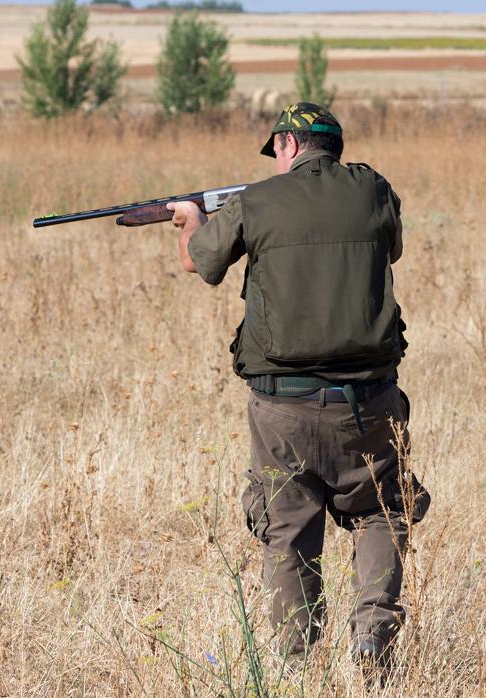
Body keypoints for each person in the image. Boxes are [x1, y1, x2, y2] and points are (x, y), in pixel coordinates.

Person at [167, 102, 431, 672]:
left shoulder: (255, 201)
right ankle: (371, 636)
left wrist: (189, 217)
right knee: (381, 512)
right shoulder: (374, 191)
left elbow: (200, 264)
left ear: (287, 145)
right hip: (370, 402)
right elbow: (393, 246)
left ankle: (295, 661)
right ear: (333, 146)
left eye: (276, 150)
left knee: (288, 529)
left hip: (282, 405)